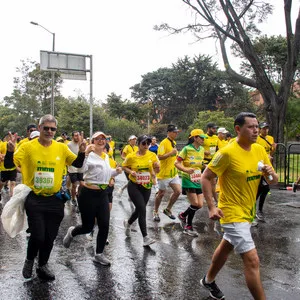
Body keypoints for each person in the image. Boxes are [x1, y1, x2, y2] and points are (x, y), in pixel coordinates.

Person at [200, 112, 278, 300]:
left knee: (227, 245)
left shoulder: (259, 150)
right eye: (250, 127)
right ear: (237, 129)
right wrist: (211, 206)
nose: (255, 130)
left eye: (257, 126)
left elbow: (273, 181)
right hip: (231, 212)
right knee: (252, 260)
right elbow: (206, 177)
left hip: (247, 211)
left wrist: (270, 173)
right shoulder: (227, 152)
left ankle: (208, 280)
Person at [4, 114, 86, 281]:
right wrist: (10, 152)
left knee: (49, 236)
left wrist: (82, 152)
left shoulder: (61, 148)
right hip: (34, 198)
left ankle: (42, 265)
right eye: (46, 128)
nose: (49, 131)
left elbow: (76, 164)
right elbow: (8, 165)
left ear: (55, 130)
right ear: (39, 128)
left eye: (52, 128)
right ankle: (29, 259)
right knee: (38, 235)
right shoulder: (27, 147)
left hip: (55, 199)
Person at [63, 131, 122, 266]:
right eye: (98, 139)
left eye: (103, 139)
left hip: (102, 194)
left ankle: (99, 254)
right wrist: (85, 153)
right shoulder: (89, 156)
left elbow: (106, 174)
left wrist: (116, 172)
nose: (101, 141)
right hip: (87, 194)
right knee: (87, 226)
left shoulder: (106, 157)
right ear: (93, 142)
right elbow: (82, 169)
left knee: (105, 224)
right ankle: (72, 232)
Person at [122, 135, 160, 246]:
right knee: (142, 209)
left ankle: (128, 223)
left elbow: (156, 170)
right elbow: (124, 166)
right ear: (138, 144)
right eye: (144, 143)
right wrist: (131, 172)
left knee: (139, 210)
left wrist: (157, 167)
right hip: (134, 185)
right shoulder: (131, 156)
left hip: (146, 186)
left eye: (148, 143)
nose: (146, 146)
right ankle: (145, 237)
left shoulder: (152, 155)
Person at [175, 129, 207, 237]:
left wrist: (204, 166)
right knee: (194, 204)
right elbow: (177, 163)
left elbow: (200, 163)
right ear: (195, 138)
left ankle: (183, 215)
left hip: (197, 179)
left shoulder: (202, 149)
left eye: (203, 138)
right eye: (201, 138)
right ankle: (188, 227)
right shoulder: (186, 149)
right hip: (187, 179)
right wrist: (185, 170)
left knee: (200, 204)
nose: (203, 140)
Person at [153, 125, 181, 222]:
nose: (176, 133)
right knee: (161, 194)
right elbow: (159, 156)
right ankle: (155, 211)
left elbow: (174, 156)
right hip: (164, 173)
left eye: (177, 132)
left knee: (178, 192)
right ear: (168, 132)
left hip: (173, 172)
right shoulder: (163, 143)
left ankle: (167, 209)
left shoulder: (173, 142)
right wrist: (170, 153)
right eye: (174, 132)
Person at [255, 122, 276, 222]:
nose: (265, 130)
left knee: (266, 188)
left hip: (267, 165)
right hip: (259, 166)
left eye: (267, 128)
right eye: (263, 128)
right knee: (260, 188)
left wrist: (273, 151)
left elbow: (271, 151)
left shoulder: (270, 138)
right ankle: (253, 209)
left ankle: (259, 210)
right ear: (260, 129)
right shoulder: (257, 139)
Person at [67, 131, 84, 206]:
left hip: (80, 168)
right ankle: (73, 198)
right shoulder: (69, 145)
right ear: (72, 137)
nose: (77, 137)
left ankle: (78, 196)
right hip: (72, 168)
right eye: (75, 135)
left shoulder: (81, 143)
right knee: (74, 185)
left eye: (78, 135)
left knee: (82, 184)